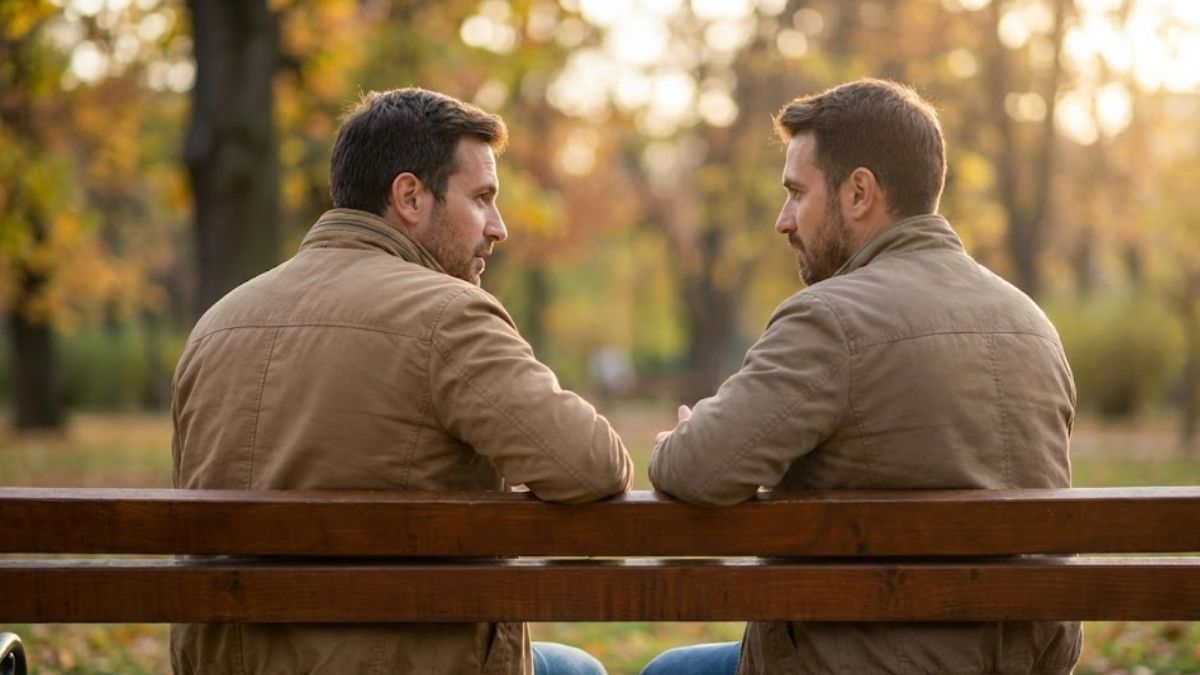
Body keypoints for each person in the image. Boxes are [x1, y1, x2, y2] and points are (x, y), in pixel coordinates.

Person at [170, 87, 633, 675]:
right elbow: (592, 466)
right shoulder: (448, 316)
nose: (499, 228)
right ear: (410, 196)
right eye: (482, 198)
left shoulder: (216, 324)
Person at [643, 79, 1079, 675]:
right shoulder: (1032, 323)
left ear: (858, 192)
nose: (783, 221)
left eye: (796, 193)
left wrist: (682, 439)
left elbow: (696, 469)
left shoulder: (830, 319)